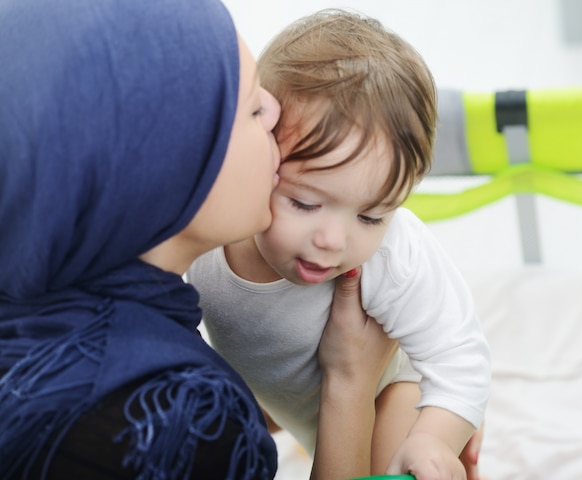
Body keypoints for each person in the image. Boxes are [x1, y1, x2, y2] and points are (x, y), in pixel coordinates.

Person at [0, 1, 395, 479]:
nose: (275, 109)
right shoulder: (179, 417)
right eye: (252, 106)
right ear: (170, 161)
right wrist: (349, 384)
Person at [188, 9, 491, 480]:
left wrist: (436, 436)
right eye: (305, 203)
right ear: (263, 150)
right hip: (290, 404)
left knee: (400, 455)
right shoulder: (209, 228)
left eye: (371, 215)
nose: (333, 242)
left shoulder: (394, 254)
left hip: (392, 389)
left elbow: (461, 357)